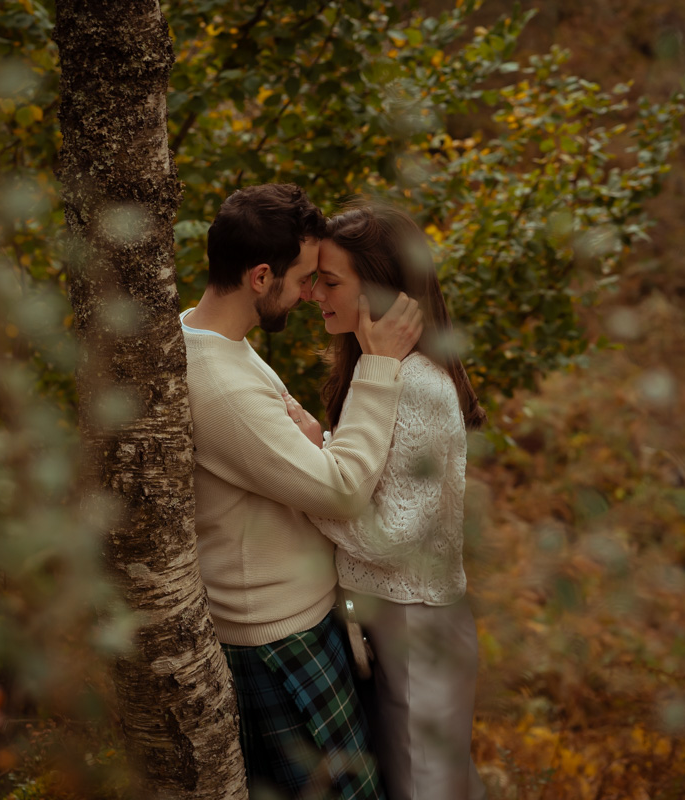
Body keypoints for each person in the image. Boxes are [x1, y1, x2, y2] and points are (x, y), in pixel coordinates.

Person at [180, 183, 423, 799]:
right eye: (305, 278)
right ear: (261, 276)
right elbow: (341, 490)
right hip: (277, 643)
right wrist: (380, 367)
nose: (312, 292)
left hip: (296, 625)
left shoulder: (213, 340)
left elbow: (304, 444)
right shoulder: (220, 385)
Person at [294, 200, 490, 800]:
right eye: (313, 280)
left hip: (418, 631)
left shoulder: (420, 387)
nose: (311, 295)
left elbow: (398, 531)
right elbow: (376, 474)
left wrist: (304, 482)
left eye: (329, 282)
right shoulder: (377, 371)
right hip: (384, 627)